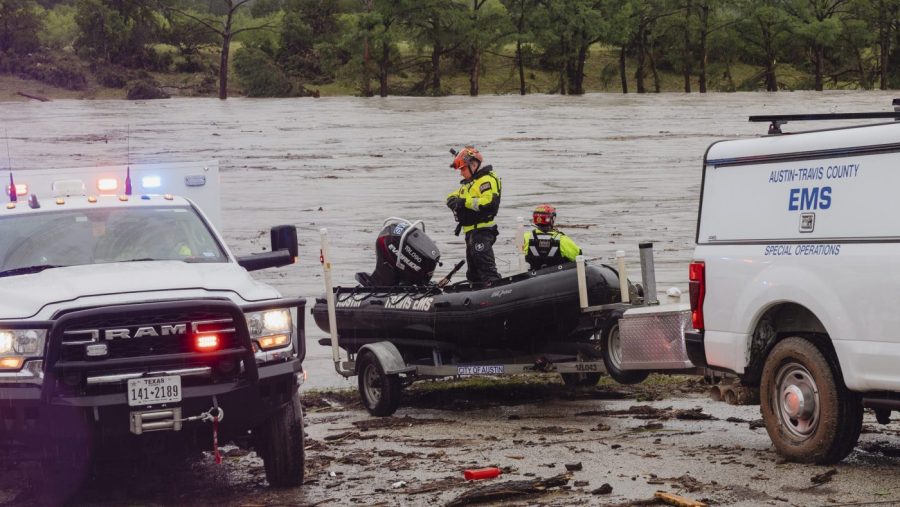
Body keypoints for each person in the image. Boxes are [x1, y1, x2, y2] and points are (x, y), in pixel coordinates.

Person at [446, 145, 502, 285]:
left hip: (482, 232)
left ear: (474, 164)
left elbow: (488, 202)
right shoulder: (470, 184)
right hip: (470, 233)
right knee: (473, 273)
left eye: (463, 169)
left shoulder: (486, 181)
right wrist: (452, 200)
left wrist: (464, 202)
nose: (461, 173)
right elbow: (457, 194)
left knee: (487, 270)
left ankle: (495, 292)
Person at [523, 204, 582, 271]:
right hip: (560, 277)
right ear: (552, 219)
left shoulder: (526, 237)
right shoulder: (563, 240)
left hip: (534, 276)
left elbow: (522, 254)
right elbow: (578, 256)